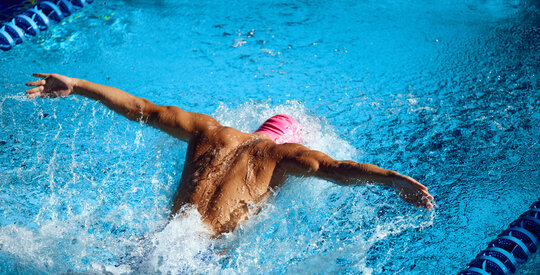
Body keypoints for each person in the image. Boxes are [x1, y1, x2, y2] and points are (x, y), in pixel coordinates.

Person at [25, 73, 433, 235]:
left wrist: (78, 84)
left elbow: (141, 108)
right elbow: (337, 168)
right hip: (197, 263)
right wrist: (393, 179)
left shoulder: (211, 130)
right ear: (288, 139)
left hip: (161, 242)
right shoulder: (282, 157)